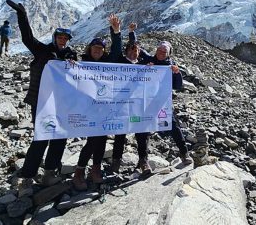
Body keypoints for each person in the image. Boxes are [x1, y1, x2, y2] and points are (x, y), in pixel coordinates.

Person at [6, 0, 77, 188]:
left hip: (62, 103)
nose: (62, 40)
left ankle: (50, 172)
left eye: (65, 38)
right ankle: (28, 175)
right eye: (60, 37)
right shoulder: (43, 50)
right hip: (42, 101)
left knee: (60, 136)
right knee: (42, 136)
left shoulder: (71, 56)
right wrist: (22, 16)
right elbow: (27, 38)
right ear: (55, 38)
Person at [72, 14, 122, 191]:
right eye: (95, 47)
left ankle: (95, 169)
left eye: (101, 48)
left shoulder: (107, 62)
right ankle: (79, 172)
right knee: (92, 141)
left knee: (101, 140)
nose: (98, 50)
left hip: (104, 108)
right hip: (88, 109)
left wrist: (116, 32)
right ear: (90, 48)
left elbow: (117, 51)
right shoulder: (82, 63)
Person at [135, 34, 193, 165]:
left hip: (162, 104)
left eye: (164, 51)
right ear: (156, 50)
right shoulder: (148, 60)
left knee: (173, 127)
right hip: (145, 103)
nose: (161, 53)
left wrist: (177, 73)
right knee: (142, 131)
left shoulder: (171, 67)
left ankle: (184, 153)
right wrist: (145, 68)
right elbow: (135, 75)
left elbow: (178, 86)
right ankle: (143, 162)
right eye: (159, 50)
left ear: (168, 54)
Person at [111, 23, 151, 175]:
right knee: (120, 134)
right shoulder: (121, 62)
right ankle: (116, 161)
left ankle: (143, 161)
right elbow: (116, 46)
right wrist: (119, 32)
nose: (134, 53)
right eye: (131, 50)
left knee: (142, 133)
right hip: (121, 105)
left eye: (136, 51)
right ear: (126, 51)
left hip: (138, 105)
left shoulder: (142, 64)